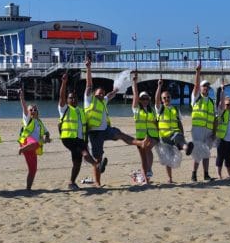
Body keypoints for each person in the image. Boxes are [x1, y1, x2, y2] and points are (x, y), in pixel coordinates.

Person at [84, 57, 148, 188]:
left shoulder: (103, 100)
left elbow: (111, 94)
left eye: (102, 94)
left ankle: (140, 142)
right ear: (93, 94)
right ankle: (97, 183)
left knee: (120, 134)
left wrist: (119, 87)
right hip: (94, 133)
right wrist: (88, 68)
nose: (101, 95)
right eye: (99, 93)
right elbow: (89, 85)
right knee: (98, 158)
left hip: (105, 130)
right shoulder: (89, 99)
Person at [58, 71, 100, 190]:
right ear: (67, 100)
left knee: (77, 162)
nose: (74, 99)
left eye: (75, 98)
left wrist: (86, 140)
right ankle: (96, 165)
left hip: (79, 139)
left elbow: (84, 129)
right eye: (71, 98)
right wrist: (64, 83)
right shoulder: (65, 108)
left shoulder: (81, 111)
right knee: (84, 153)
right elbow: (61, 96)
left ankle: (71, 182)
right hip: (68, 138)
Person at [156, 79, 193, 183]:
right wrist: (159, 86)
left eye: (168, 97)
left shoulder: (175, 109)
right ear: (162, 99)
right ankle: (170, 178)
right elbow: (156, 100)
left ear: (171, 98)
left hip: (175, 133)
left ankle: (187, 148)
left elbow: (179, 122)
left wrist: (182, 134)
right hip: (164, 137)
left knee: (180, 139)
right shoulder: (160, 109)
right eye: (164, 98)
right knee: (168, 158)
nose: (166, 99)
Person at [18, 84, 51, 191]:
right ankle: (22, 149)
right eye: (31, 110)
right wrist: (22, 97)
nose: (33, 111)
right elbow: (23, 106)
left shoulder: (40, 122)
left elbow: (47, 133)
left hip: (33, 148)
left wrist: (47, 138)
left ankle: (28, 188)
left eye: (34, 110)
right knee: (36, 142)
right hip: (26, 143)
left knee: (33, 170)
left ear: (37, 112)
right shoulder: (27, 119)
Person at [190, 62, 216, 181]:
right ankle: (194, 174)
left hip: (208, 130)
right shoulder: (196, 97)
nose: (205, 88)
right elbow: (195, 86)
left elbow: (215, 118)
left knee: (206, 152)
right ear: (201, 88)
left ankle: (206, 174)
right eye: (203, 86)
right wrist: (198, 72)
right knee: (198, 151)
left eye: (207, 86)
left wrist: (214, 132)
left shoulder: (211, 102)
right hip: (197, 129)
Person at [131, 72, 158, 184]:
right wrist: (135, 82)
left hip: (153, 136)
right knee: (143, 159)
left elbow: (157, 102)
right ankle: (146, 180)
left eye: (147, 98)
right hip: (140, 137)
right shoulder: (136, 110)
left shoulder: (153, 110)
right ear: (140, 100)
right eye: (143, 99)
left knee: (148, 149)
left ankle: (149, 170)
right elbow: (135, 94)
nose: (145, 100)